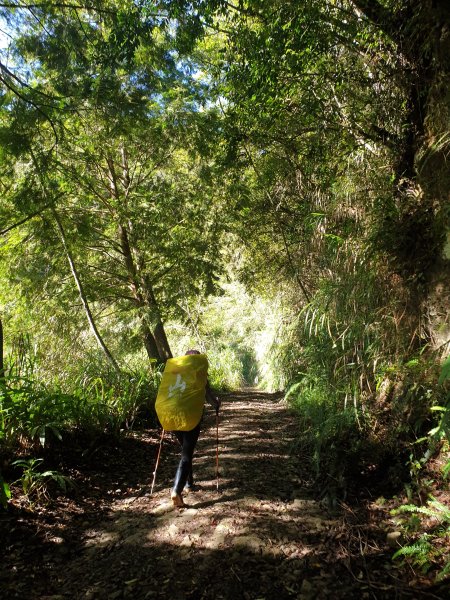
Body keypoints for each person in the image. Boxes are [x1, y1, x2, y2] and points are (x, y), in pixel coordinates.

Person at [155, 349, 220, 508]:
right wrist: (217, 404)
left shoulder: (176, 373)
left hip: (173, 416)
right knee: (187, 454)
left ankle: (189, 483)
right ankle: (176, 491)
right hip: (191, 418)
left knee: (185, 451)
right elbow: (210, 399)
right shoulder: (199, 374)